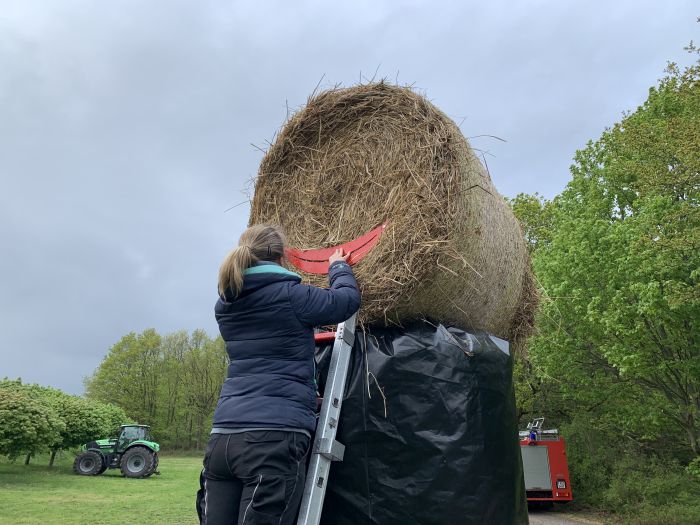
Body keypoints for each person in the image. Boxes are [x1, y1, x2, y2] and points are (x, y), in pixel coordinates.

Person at [197, 224, 361, 525]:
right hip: (272, 438)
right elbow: (345, 302)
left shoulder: (226, 305)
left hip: (223, 438)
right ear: (282, 256)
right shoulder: (292, 296)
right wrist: (338, 267)